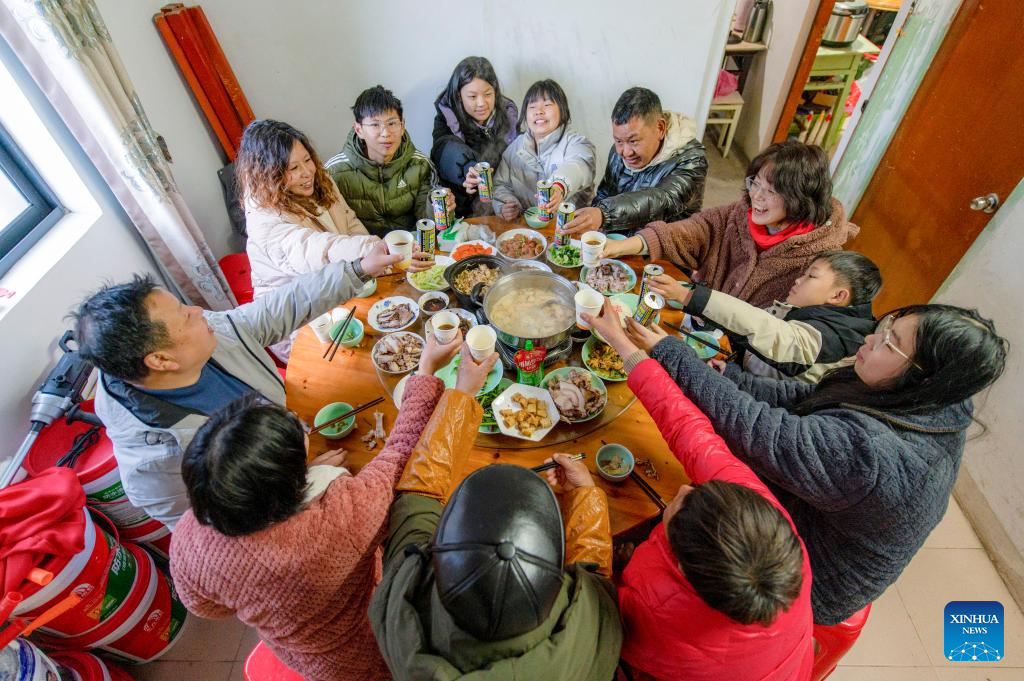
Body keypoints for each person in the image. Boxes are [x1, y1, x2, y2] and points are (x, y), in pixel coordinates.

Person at [589, 300, 1007, 625]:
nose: (869, 341)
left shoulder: (870, 455)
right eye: (884, 328)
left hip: (802, 581)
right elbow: (803, 401)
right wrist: (713, 371)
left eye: (890, 343)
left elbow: (751, 428)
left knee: (678, 500)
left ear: (926, 377)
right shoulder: (922, 396)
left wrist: (650, 353)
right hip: (813, 513)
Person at [170, 331, 462, 681]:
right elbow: (402, 453)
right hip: (371, 651)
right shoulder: (339, 520)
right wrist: (427, 369)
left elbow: (205, 606)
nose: (304, 426)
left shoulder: (190, 531)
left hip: (304, 656)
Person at [71, 247, 399, 529]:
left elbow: (273, 312)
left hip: (294, 449)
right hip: (289, 506)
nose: (198, 311)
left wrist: (356, 270)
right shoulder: (155, 463)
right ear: (161, 360)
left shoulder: (205, 336)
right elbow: (217, 535)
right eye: (185, 316)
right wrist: (299, 485)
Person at [369, 352, 622, 679]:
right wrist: (585, 493)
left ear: (439, 553)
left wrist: (462, 394)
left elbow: (418, 497)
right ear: (558, 573)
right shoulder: (594, 629)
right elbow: (595, 579)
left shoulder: (400, 605)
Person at [614, 352, 813, 680]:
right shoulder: (764, 521)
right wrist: (630, 353)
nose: (683, 491)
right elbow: (694, 435)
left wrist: (587, 500)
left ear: (681, 566)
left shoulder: (658, 617)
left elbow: (594, 612)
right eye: (698, 491)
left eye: (677, 511)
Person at [601, 140, 858, 308]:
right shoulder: (739, 214)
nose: (756, 197)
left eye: (770, 191)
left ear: (800, 198)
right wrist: (622, 246)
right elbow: (692, 231)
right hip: (700, 320)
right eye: (754, 183)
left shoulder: (819, 262)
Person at [655, 250, 882, 383]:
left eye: (811, 276)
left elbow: (770, 334)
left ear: (838, 295)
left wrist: (689, 296)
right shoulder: (828, 316)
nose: (798, 281)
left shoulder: (839, 337)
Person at [561, 86, 707, 235]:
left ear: (660, 128)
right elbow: (605, 193)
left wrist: (604, 214)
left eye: (633, 141)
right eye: (618, 141)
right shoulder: (619, 151)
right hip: (617, 241)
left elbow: (662, 200)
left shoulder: (692, 159)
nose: (625, 152)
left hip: (664, 245)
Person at [325, 85, 453, 237]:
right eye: (375, 125)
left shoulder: (420, 164)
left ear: (402, 126)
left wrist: (439, 207)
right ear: (359, 130)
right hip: (364, 254)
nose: (386, 133)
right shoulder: (334, 172)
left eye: (392, 123)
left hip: (410, 248)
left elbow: (429, 225)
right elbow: (334, 230)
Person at [485, 79, 596, 221]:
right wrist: (506, 205)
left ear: (562, 111)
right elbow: (500, 185)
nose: (539, 111)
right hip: (528, 230)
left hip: (569, 230)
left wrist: (559, 186)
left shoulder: (576, 143)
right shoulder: (515, 148)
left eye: (547, 105)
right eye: (532, 107)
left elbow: (579, 165)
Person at [431, 56, 518, 217]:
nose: (481, 103)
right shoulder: (447, 118)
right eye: (472, 97)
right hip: (461, 211)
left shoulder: (508, 116)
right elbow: (444, 150)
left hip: (503, 207)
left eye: (487, 94)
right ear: (459, 96)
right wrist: (468, 169)